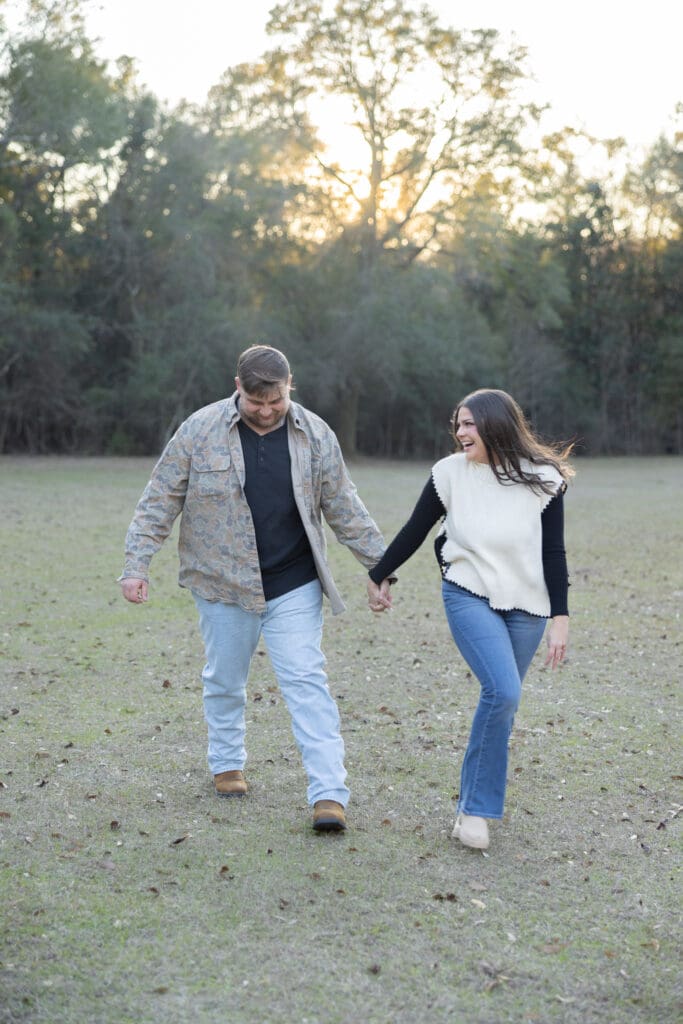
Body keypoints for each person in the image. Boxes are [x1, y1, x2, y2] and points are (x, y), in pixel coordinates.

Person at [119, 344, 391, 833]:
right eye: (255, 402)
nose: (266, 412)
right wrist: (136, 564)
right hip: (223, 583)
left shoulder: (316, 434)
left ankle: (329, 794)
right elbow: (159, 499)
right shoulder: (199, 430)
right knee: (225, 679)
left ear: (290, 388)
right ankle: (227, 761)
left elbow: (344, 505)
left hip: (294, 582)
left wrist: (380, 566)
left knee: (307, 681)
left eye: (277, 401)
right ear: (237, 387)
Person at [366, 388, 573, 851]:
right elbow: (416, 529)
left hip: (529, 605)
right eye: (457, 424)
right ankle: (477, 810)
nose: (460, 432)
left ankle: (469, 806)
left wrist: (561, 616)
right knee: (503, 691)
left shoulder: (544, 479)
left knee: (501, 702)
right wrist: (379, 574)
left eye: (469, 424)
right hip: (468, 591)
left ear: (496, 425)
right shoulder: (449, 474)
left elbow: (553, 552)